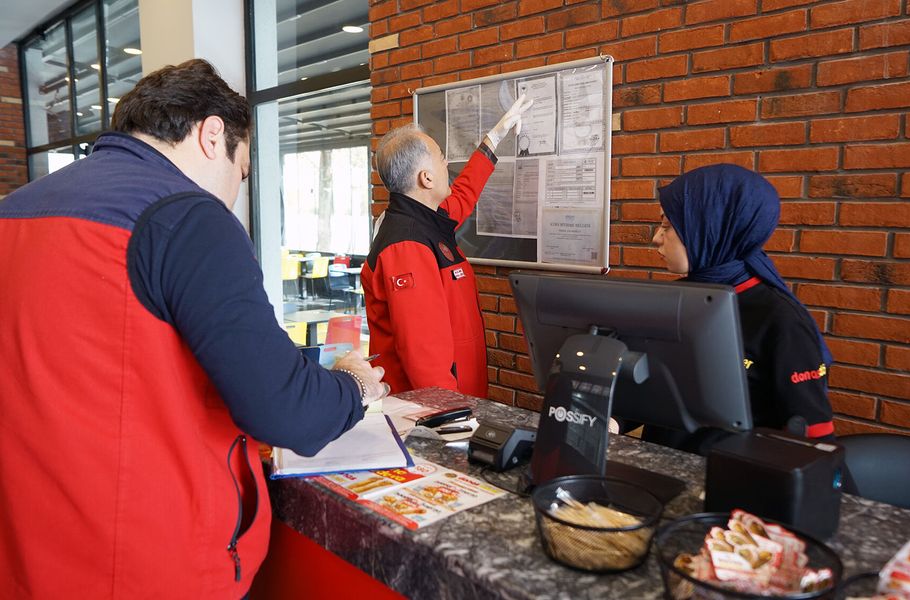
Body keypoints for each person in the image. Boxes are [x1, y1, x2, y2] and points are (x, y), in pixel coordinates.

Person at [0, 59, 387, 598]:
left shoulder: (13, 211)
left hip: (25, 557)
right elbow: (285, 410)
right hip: (148, 567)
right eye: (243, 171)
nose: (235, 191)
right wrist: (356, 386)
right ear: (212, 135)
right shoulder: (187, 218)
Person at [363, 95, 533, 397]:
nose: (446, 163)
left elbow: (465, 193)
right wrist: (453, 417)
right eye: (440, 157)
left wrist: (494, 138)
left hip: (458, 400)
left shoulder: (427, 218)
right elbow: (422, 352)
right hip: (434, 415)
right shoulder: (406, 247)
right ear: (426, 178)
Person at [652, 163, 835, 440]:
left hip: (733, 476)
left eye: (667, 225)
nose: (656, 238)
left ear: (711, 228)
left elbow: (813, 437)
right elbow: (651, 391)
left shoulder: (780, 320)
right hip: (656, 468)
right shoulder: (673, 300)